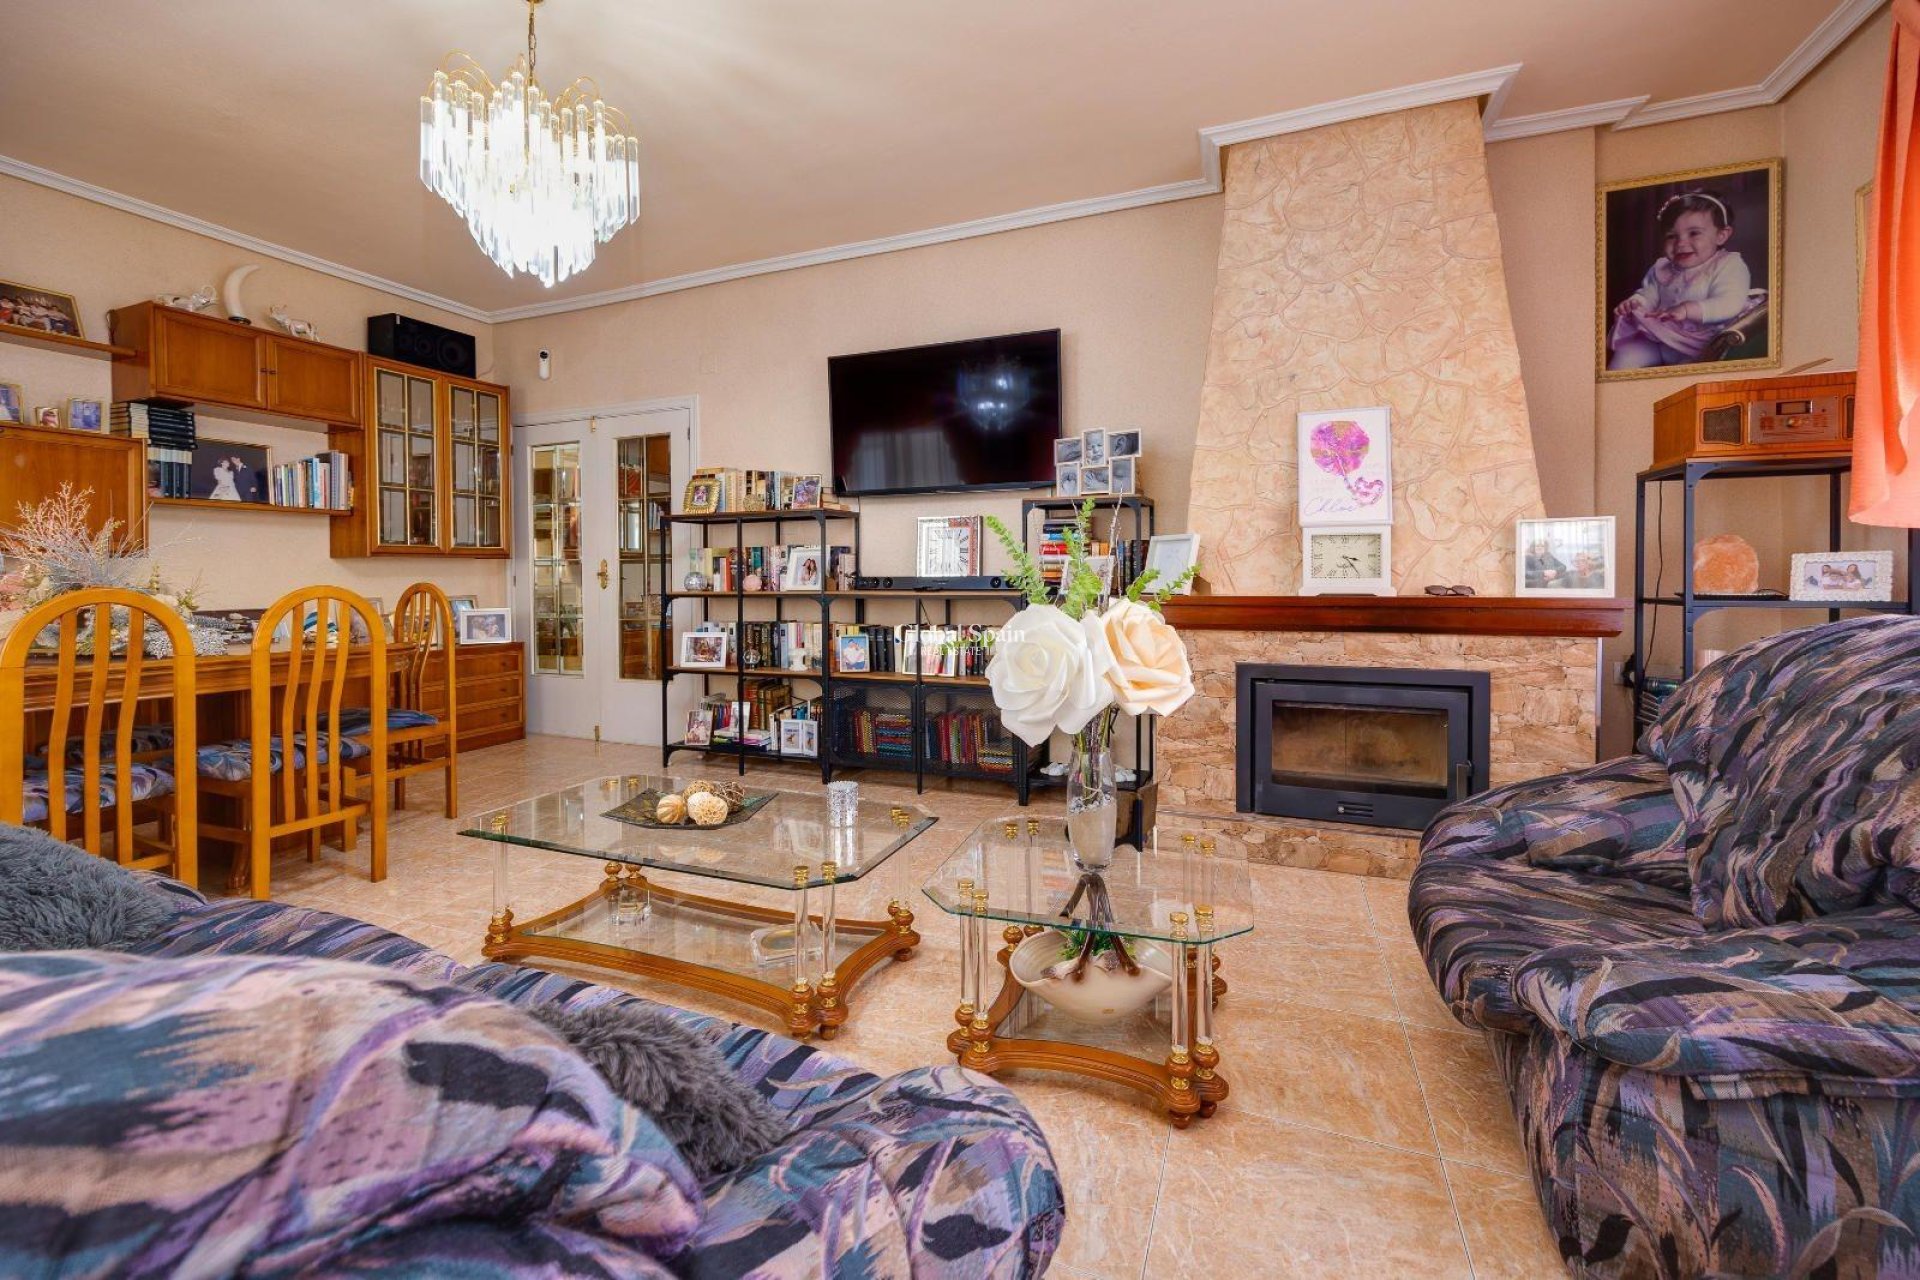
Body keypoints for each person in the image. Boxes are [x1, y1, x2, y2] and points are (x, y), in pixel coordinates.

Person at [1608, 191, 1760, 370]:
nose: (1680, 243)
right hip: (1660, 337)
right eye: (1671, 236)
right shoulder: (1662, 268)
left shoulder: (1729, 265)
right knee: (1626, 355)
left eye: (1694, 233)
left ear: (1721, 235)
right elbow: (1649, 294)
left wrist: (1688, 310)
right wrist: (1636, 302)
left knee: (1689, 373)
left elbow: (1729, 303)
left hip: (1702, 345)